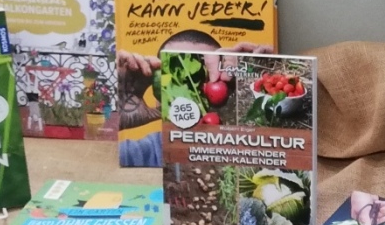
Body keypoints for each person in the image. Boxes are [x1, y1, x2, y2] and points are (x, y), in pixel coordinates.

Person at [115, 31, 274, 166]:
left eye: (207, 77)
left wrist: (268, 93)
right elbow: (101, 167)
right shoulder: (142, 153)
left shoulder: (254, 148)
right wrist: (117, 117)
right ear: (158, 95)